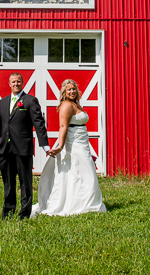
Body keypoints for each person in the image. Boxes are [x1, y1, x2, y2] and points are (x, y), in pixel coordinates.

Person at [32, 79, 106, 217]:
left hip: (82, 142)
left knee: (83, 172)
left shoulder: (76, 104)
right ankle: (80, 204)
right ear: (64, 92)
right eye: (69, 89)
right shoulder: (66, 105)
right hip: (74, 144)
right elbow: (63, 127)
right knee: (82, 172)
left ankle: (85, 202)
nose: (72, 91)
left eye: (74, 89)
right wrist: (60, 146)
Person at [0, 72, 50, 220]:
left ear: (22, 83)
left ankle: (24, 214)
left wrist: (44, 145)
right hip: (4, 149)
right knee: (8, 182)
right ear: (9, 84)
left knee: (25, 182)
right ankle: (8, 212)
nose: (16, 84)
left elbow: (39, 123)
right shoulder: (3, 102)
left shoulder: (30, 101)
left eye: (18, 81)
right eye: (13, 82)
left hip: (23, 148)